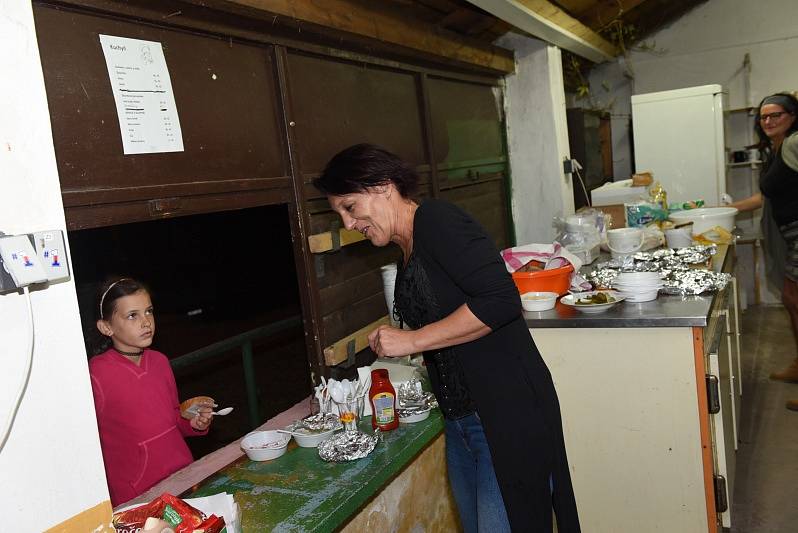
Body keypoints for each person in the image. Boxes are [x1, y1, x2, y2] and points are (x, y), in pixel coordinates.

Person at [314, 144, 580, 532]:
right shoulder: (407, 248)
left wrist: (412, 340)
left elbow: (500, 299)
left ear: (384, 187)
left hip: (504, 414)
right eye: (340, 213)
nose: (348, 223)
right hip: (462, 423)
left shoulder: (437, 220)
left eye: (350, 207)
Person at [88, 278, 213, 505]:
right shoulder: (95, 374)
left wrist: (193, 423)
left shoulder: (160, 361)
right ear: (106, 327)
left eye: (149, 312)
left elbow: (172, 418)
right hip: (138, 495)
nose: (146, 322)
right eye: (132, 315)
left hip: (183, 479)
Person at [729, 93, 798, 410]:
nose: (768, 121)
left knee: (794, 299)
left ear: (793, 115)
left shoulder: (795, 143)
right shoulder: (778, 149)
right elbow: (764, 197)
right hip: (790, 234)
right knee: (790, 300)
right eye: (763, 117)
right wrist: (727, 209)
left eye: (776, 115)